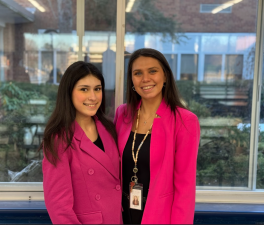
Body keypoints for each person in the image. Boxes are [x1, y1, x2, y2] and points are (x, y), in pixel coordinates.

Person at [114, 48, 200, 224]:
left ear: (165, 76)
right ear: (132, 80)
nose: (145, 79)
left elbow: (185, 187)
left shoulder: (185, 121)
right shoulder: (123, 114)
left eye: (152, 71)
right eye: (138, 73)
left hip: (159, 215)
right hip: (121, 212)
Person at [41, 61, 122, 224]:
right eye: (84, 89)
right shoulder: (60, 139)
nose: (93, 97)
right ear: (69, 92)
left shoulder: (109, 128)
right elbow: (59, 208)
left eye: (97, 89)